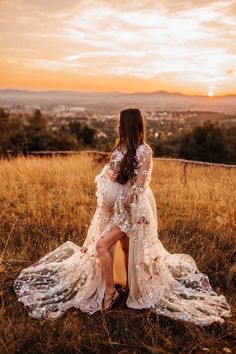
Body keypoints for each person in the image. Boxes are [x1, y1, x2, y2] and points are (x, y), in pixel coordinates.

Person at [14, 108, 231, 326]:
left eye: (120, 122)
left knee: (101, 245)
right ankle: (125, 286)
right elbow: (110, 170)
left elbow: (140, 184)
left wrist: (125, 200)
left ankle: (110, 292)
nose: (117, 125)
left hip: (132, 211)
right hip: (114, 211)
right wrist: (111, 175)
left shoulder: (144, 151)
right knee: (124, 249)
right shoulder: (119, 148)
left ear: (128, 124)